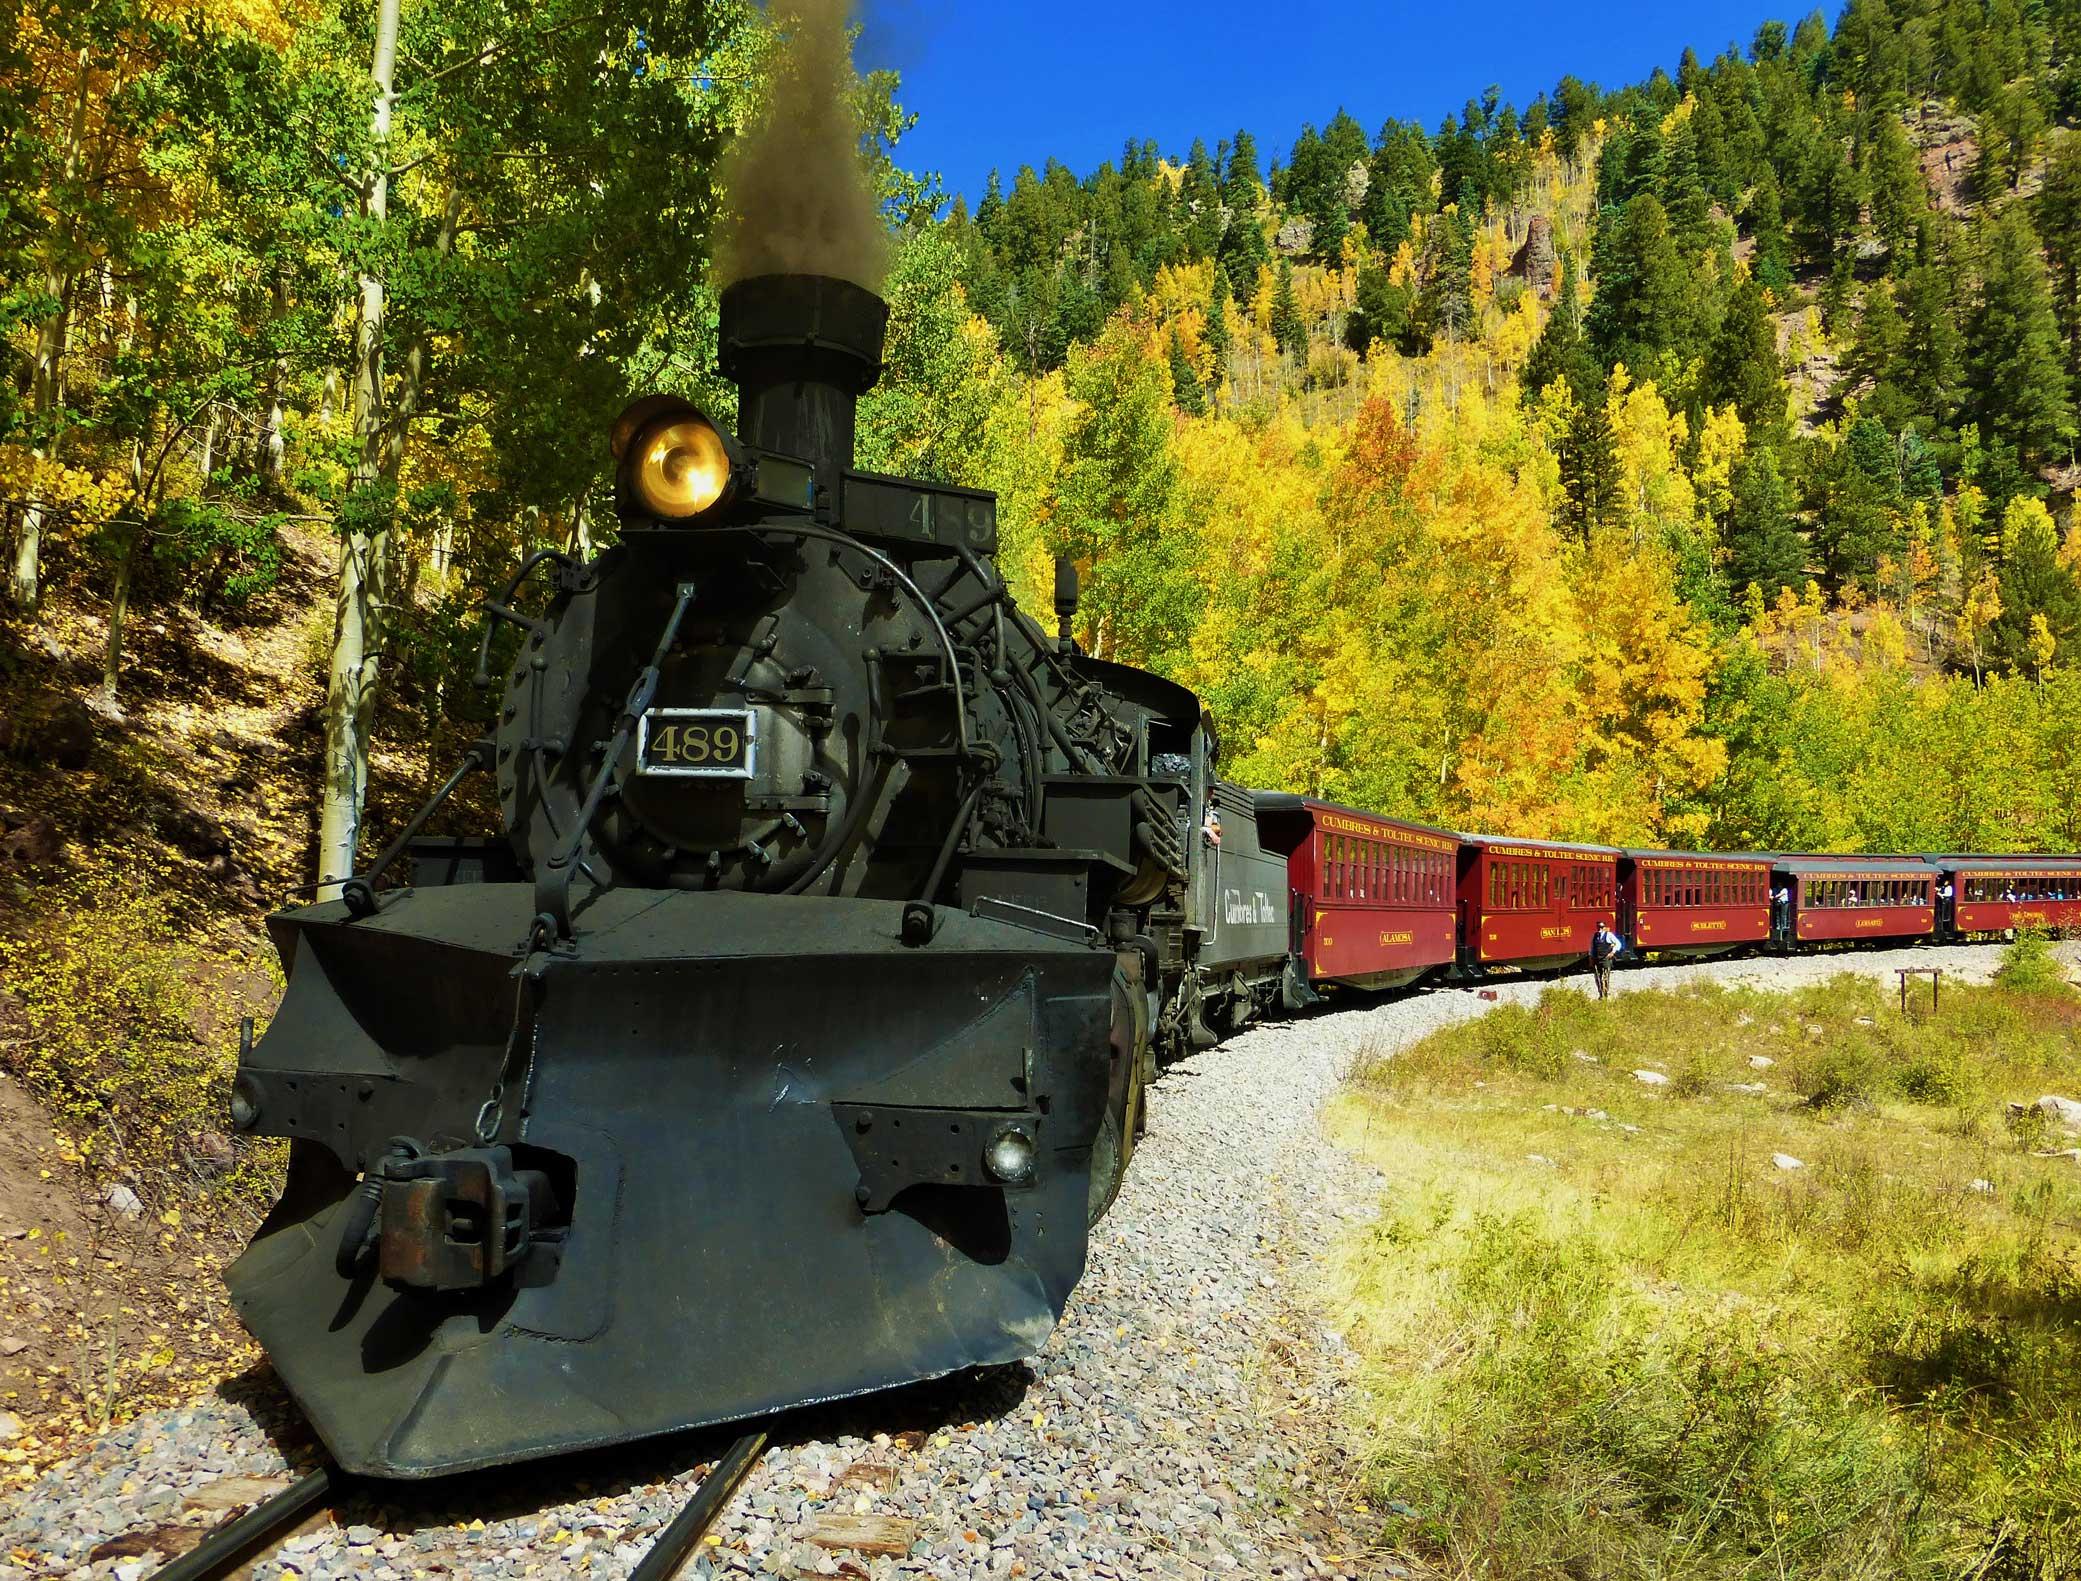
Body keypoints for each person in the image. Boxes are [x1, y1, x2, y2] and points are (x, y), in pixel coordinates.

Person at [1591, 920, 1621, 1001]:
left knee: (1605, 977)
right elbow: (1592, 948)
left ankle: (1606, 994)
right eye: (1598, 927)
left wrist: (1612, 952)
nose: (1599, 929)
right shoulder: (1595, 935)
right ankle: (1600, 994)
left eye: (1601, 927)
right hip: (1597, 959)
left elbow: (1618, 943)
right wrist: (1591, 957)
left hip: (1605, 959)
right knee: (1598, 978)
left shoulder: (1609, 935)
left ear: (1604, 928)